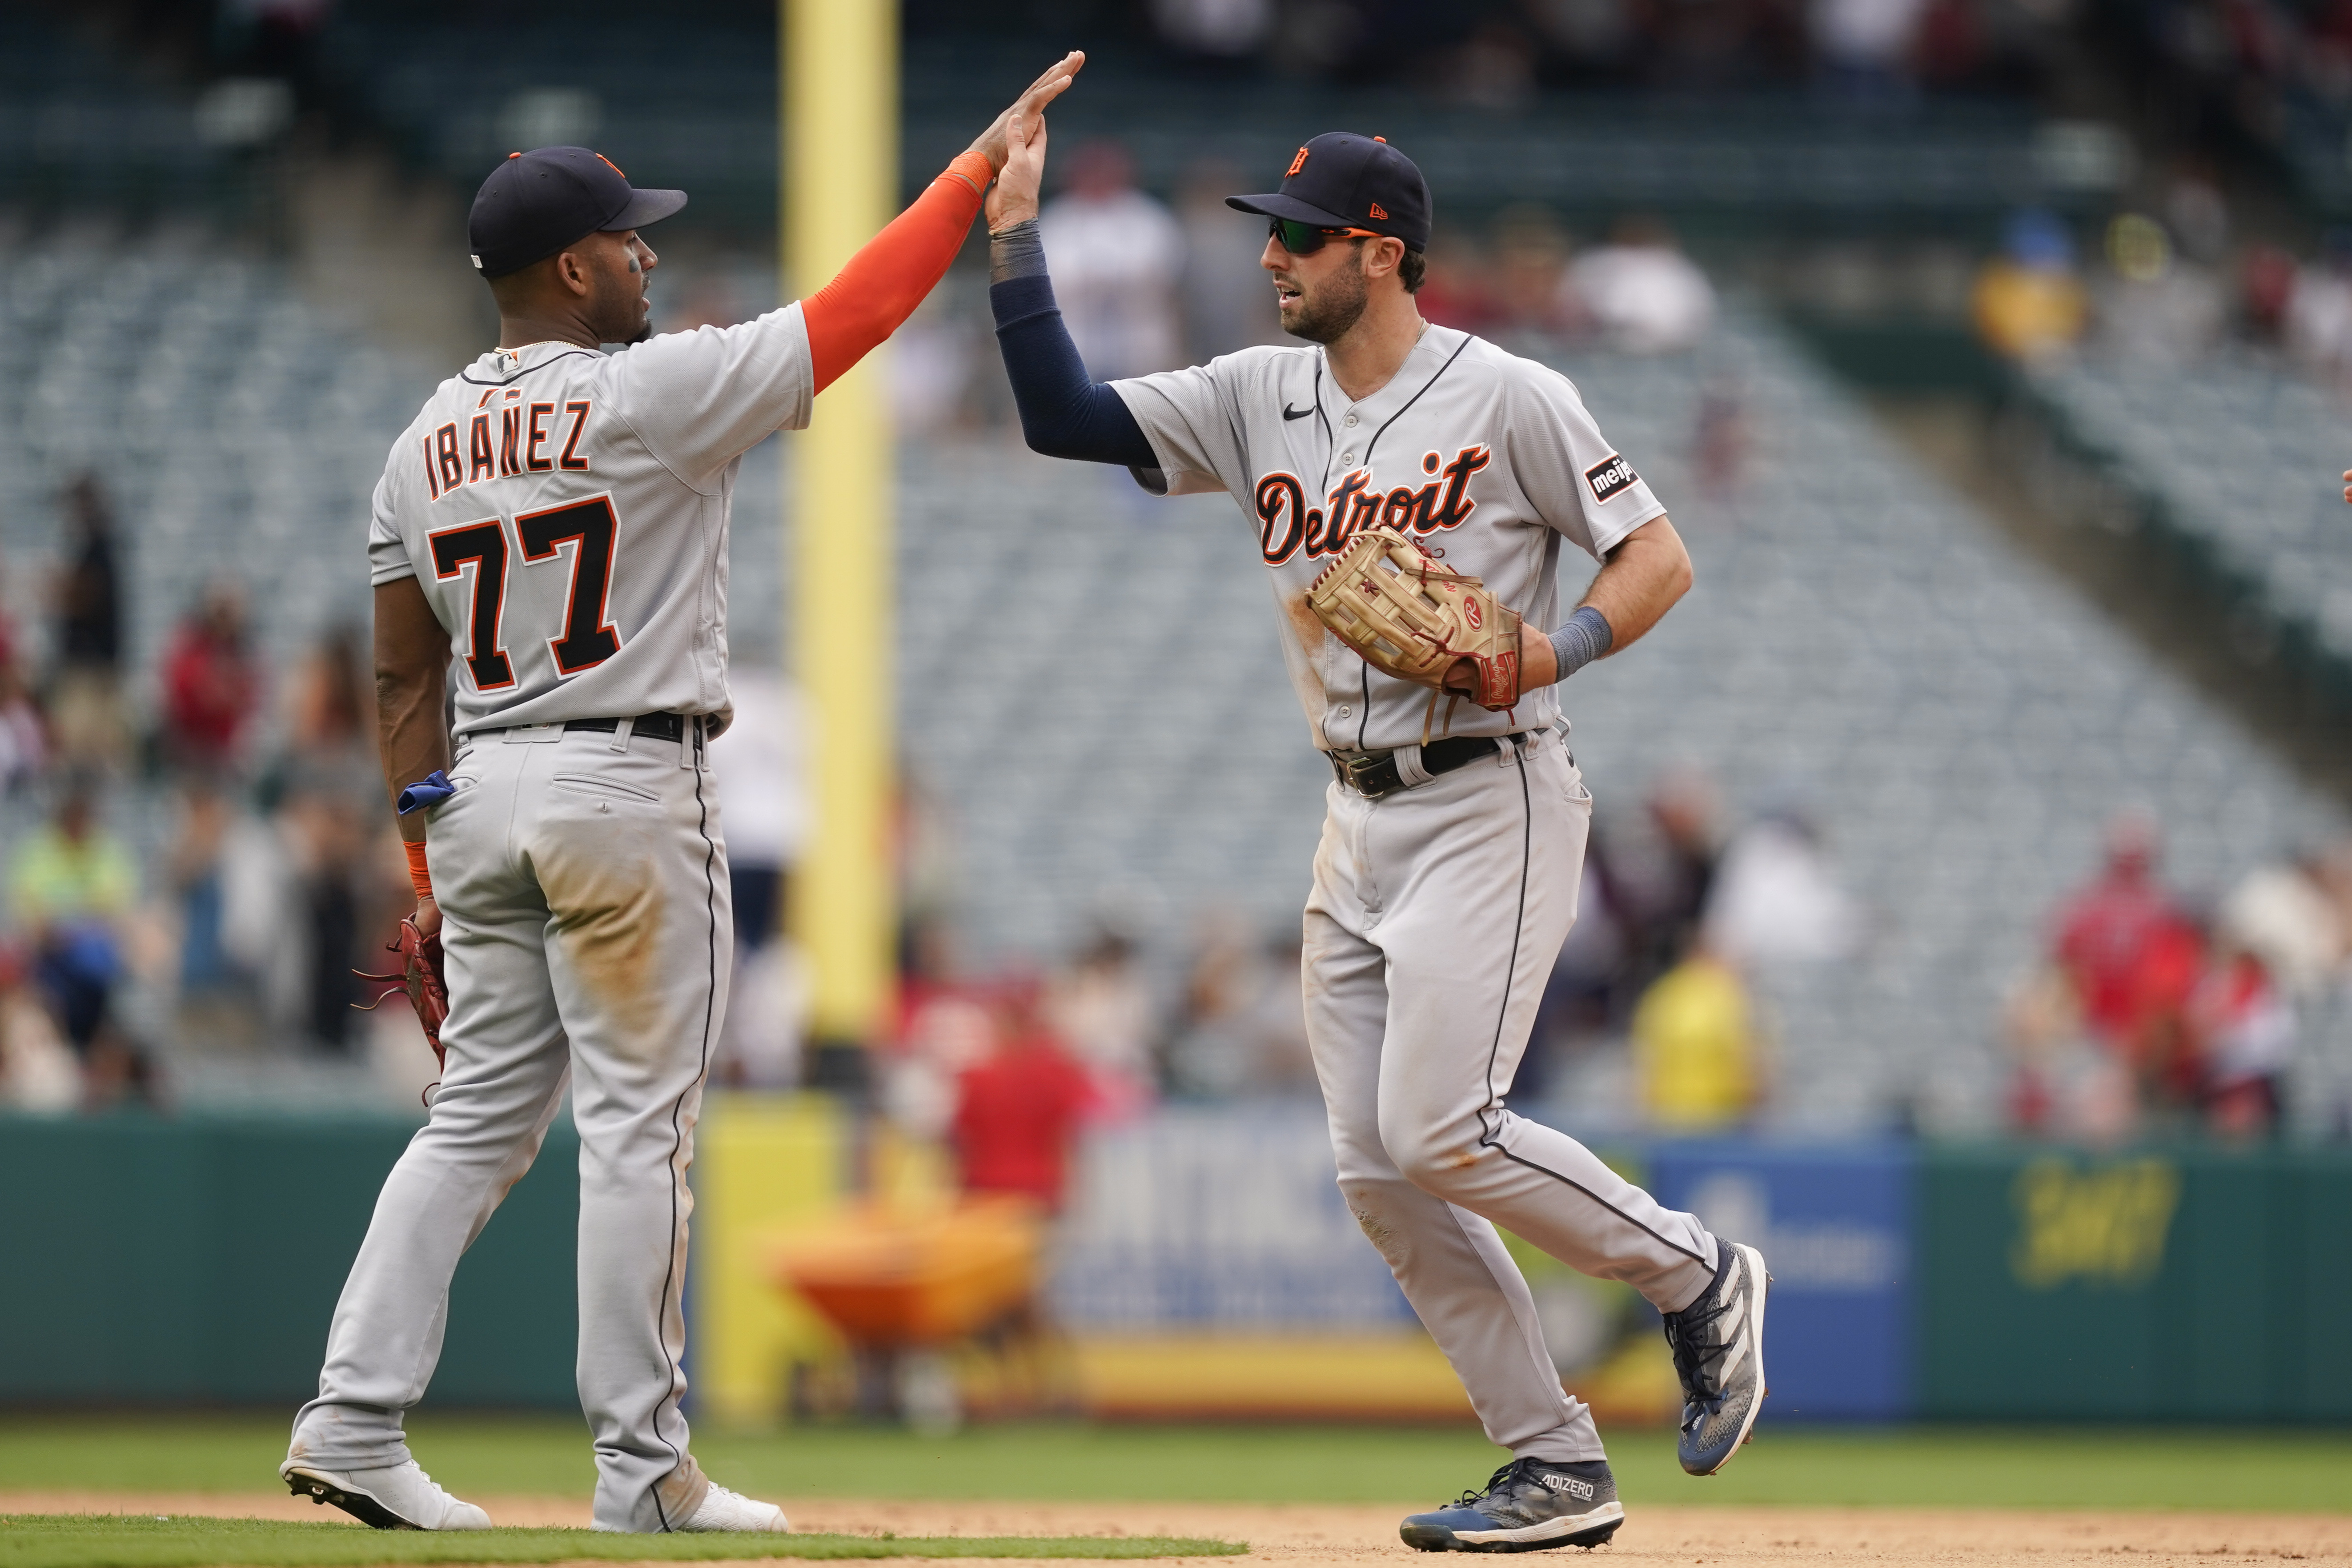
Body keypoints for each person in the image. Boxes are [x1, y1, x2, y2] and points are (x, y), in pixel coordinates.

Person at [279, 52, 1085, 1536]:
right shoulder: (646, 388)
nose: (651, 255)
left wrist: (421, 861)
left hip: (478, 791)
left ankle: (350, 1418)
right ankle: (643, 1473)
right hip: (626, 778)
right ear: (574, 266)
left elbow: (401, 685)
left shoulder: (416, 444)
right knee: (642, 1131)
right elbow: (849, 320)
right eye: (632, 238)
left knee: (469, 1125)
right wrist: (971, 178)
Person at [984, 117, 1767, 1552]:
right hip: (1352, 814)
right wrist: (1011, 233)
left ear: (1380, 252)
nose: (1267, 253)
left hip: (1491, 788)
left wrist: (1557, 649)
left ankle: (1696, 1273)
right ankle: (1554, 1464)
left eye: (1297, 233)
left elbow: (1658, 554)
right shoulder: (1253, 394)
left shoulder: (1510, 394)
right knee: (1374, 1173)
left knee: (1438, 1127)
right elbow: (1062, 417)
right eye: (1267, 230)